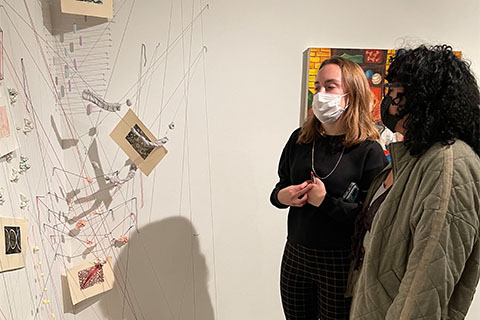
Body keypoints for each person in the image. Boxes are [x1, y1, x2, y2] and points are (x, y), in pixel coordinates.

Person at [349, 44, 480, 320]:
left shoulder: (450, 164)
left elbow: (427, 282)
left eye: (397, 90)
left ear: (425, 99)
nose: (389, 99)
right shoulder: (413, 158)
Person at [270, 56, 388, 320]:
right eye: (318, 86)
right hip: (296, 254)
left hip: (340, 261)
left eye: (330, 86)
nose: (320, 94)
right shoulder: (300, 139)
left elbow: (372, 218)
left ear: (351, 94)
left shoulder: (369, 151)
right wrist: (283, 196)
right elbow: (278, 189)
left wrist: (326, 202)